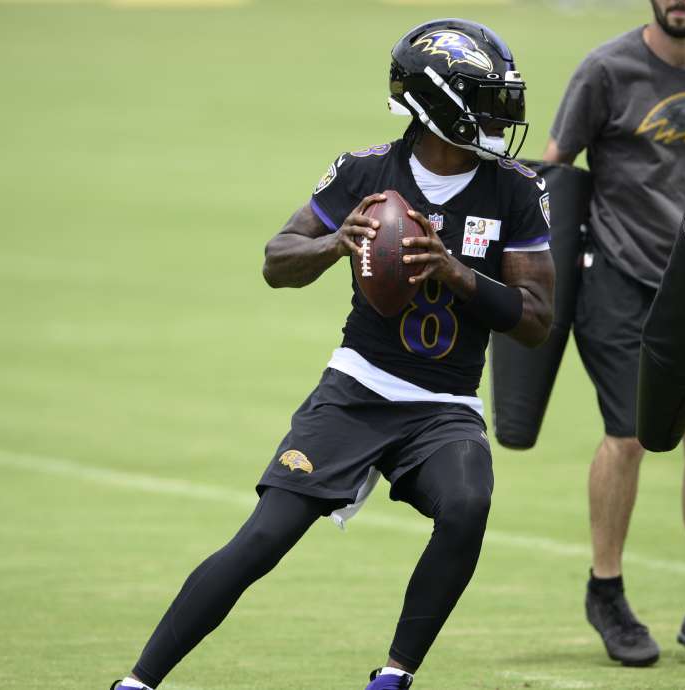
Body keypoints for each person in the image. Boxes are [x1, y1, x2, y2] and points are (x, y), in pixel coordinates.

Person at [110, 19, 554, 690]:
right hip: (357, 391)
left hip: (444, 407)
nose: (501, 115)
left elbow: (537, 321)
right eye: (486, 99)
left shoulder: (516, 191)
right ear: (438, 104)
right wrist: (333, 244)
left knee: (467, 504)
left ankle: (394, 677)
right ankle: (139, 683)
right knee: (264, 538)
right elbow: (276, 260)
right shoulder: (366, 171)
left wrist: (457, 272)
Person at [543, 0, 685, 668]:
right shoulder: (606, 70)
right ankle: (605, 590)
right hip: (615, 277)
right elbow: (554, 166)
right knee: (629, 435)